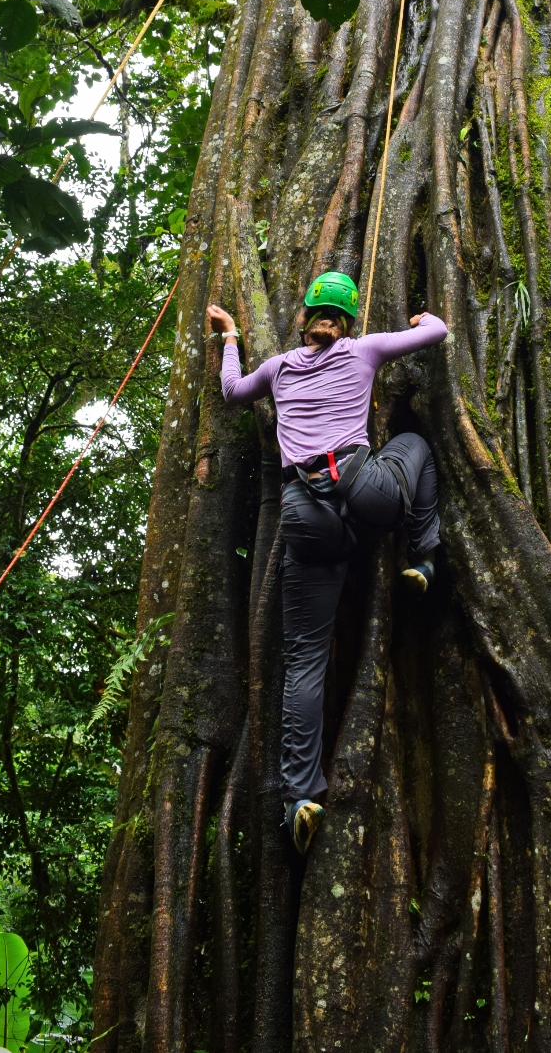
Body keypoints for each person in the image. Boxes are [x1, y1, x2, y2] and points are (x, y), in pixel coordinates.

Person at [205, 270, 447, 855]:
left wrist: (231, 337)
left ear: (308, 314)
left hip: (300, 508)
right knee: (415, 447)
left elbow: (232, 394)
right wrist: (419, 320)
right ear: (348, 320)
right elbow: (438, 332)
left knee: (304, 658)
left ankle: (298, 799)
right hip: (364, 485)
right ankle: (425, 555)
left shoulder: (281, 365)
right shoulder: (366, 347)